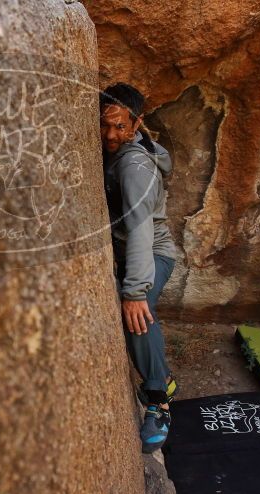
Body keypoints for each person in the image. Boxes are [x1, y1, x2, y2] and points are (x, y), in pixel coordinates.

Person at [100, 83, 178, 454]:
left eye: (120, 126)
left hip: (151, 251)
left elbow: (141, 231)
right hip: (130, 248)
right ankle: (161, 375)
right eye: (105, 126)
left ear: (137, 123)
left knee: (135, 312)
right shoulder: (121, 151)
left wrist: (134, 292)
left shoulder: (133, 165)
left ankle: (158, 399)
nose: (111, 135)